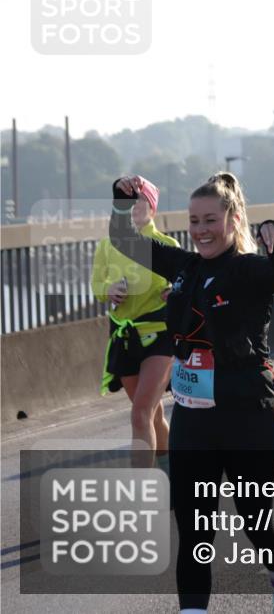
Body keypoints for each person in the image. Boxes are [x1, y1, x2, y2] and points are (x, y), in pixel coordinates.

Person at [108, 172, 274, 613]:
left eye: (210, 220)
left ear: (232, 220)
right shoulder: (186, 267)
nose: (201, 230)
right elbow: (125, 240)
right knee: (195, 532)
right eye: (194, 221)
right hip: (193, 419)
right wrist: (122, 199)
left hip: (248, 415)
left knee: (256, 521)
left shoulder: (248, 268)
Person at [91, 175, 177, 468]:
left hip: (160, 335)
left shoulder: (166, 243)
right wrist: (109, 290)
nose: (135, 205)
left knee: (140, 414)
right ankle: (172, 469)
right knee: (151, 415)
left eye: (142, 200)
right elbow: (96, 286)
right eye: (130, 201)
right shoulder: (107, 244)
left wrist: (173, 291)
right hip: (125, 337)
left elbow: (184, 282)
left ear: (152, 208)